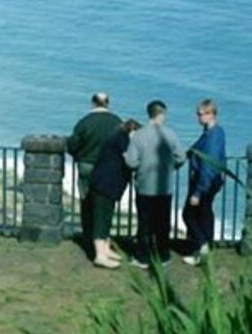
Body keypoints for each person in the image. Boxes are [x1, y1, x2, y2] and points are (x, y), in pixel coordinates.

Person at [124, 100, 185, 268]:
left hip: (144, 187)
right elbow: (181, 157)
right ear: (162, 114)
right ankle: (163, 255)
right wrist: (171, 168)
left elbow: (131, 162)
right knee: (163, 223)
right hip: (165, 187)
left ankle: (142, 258)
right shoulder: (171, 134)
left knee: (144, 224)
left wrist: (139, 166)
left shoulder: (139, 135)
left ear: (148, 114)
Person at [66, 93, 122, 253]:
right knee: (105, 206)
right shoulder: (116, 122)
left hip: (87, 166)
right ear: (108, 104)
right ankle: (103, 240)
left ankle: (89, 238)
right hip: (108, 170)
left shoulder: (84, 122)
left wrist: (78, 156)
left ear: (92, 103)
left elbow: (72, 145)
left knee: (87, 202)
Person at [87, 119, 142, 268]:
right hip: (104, 184)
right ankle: (100, 255)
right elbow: (129, 160)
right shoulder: (121, 140)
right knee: (101, 218)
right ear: (132, 131)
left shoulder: (118, 138)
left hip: (107, 184)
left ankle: (105, 249)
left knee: (106, 216)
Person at [182, 99, 227, 266]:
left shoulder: (213, 135)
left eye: (201, 114)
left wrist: (198, 192)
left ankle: (202, 246)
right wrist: (187, 154)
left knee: (189, 214)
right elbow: (197, 148)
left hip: (205, 182)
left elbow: (208, 165)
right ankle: (205, 248)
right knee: (205, 213)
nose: (198, 118)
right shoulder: (212, 132)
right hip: (210, 181)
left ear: (210, 114)